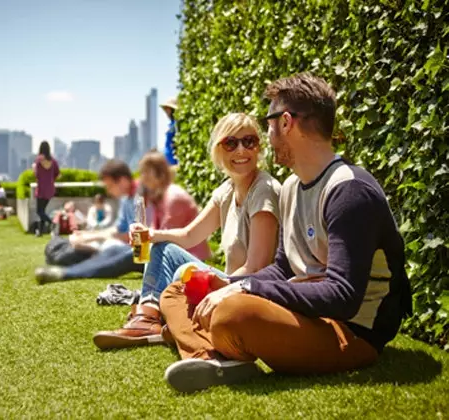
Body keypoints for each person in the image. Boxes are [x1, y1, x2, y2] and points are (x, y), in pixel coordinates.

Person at [159, 73, 413, 393]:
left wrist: (246, 289)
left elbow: (342, 297)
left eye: (268, 124)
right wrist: (229, 283)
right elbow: (282, 268)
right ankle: (213, 357)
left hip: (349, 332)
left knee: (233, 313)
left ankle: (212, 346)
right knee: (180, 290)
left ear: (286, 122)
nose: (267, 135)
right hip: (303, 315)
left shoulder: (350, 190)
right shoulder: (292, 186)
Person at [93, 114, 280, 350]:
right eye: (231, 143)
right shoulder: (227, 190)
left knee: (185, 271)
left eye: (249, 141)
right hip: (230, 285)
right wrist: (151, 235)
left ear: (258, 147)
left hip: (248, 290)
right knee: (162, 249)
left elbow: (256, 268)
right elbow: (190, 235)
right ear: (219, 149)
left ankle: (170, 320)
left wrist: (214, 284)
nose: (241, 150)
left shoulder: (263, 191)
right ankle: (148, 316)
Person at [35, 154, 211, 283]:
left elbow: (169, 239)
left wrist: (140, 240)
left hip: (180, 259)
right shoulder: (153, 197)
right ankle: (66, 265)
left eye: (148, 175)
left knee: (126, 253)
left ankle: (67, 273)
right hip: (162, 250)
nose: (142, 179)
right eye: (142, 174)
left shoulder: (172, 197)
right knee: (117, 252)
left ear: (161, 175)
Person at [33, 141, 60, 236]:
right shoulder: (53, 161)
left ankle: (52, 223)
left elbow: (36, 174)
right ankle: (40, 232)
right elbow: (57, 174)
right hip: (50, 189)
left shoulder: (38, 160)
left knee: (39, 211)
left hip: (41, 189)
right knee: (42, 211)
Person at [160, 97, 179, 166]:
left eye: (167, 109)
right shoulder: (172, 125)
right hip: (169, 162)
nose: (165, 111)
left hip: (174, 162)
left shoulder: (176, 124)